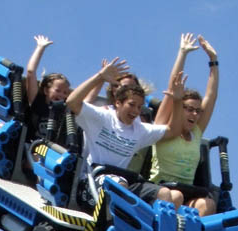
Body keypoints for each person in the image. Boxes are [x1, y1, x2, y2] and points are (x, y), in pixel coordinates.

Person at [65, 58, 185, 194]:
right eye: (131, 105)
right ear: (118, 103)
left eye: (139, 107)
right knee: (120, 186)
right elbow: (72, 102)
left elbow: (173, 131)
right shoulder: (102, 117)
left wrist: (177, 100)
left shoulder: (140, 130)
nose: (135, 111)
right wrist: (100, 77)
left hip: (122, 181)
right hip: (92, 181)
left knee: (169, 195)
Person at [144, 34, 221, 215]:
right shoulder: (164, 127)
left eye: (197, 110)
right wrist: (183, 53)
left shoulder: (196, 132)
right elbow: (173, 89)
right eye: (189, 109)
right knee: (175, 196)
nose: (194, 114)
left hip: (187, 193)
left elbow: (211, 96)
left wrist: (213, 60)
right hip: (160, 192)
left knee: (207, 204)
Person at [24, 35, 71, 143]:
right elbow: (31, 72)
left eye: (65, 93)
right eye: (57, 90)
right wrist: (40, 47)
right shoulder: (38, 104)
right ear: (46, 90)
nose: (61, 95)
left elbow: (87, 101)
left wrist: (101, 78)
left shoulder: (64, 112)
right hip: (32, 148)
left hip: (53, 153)